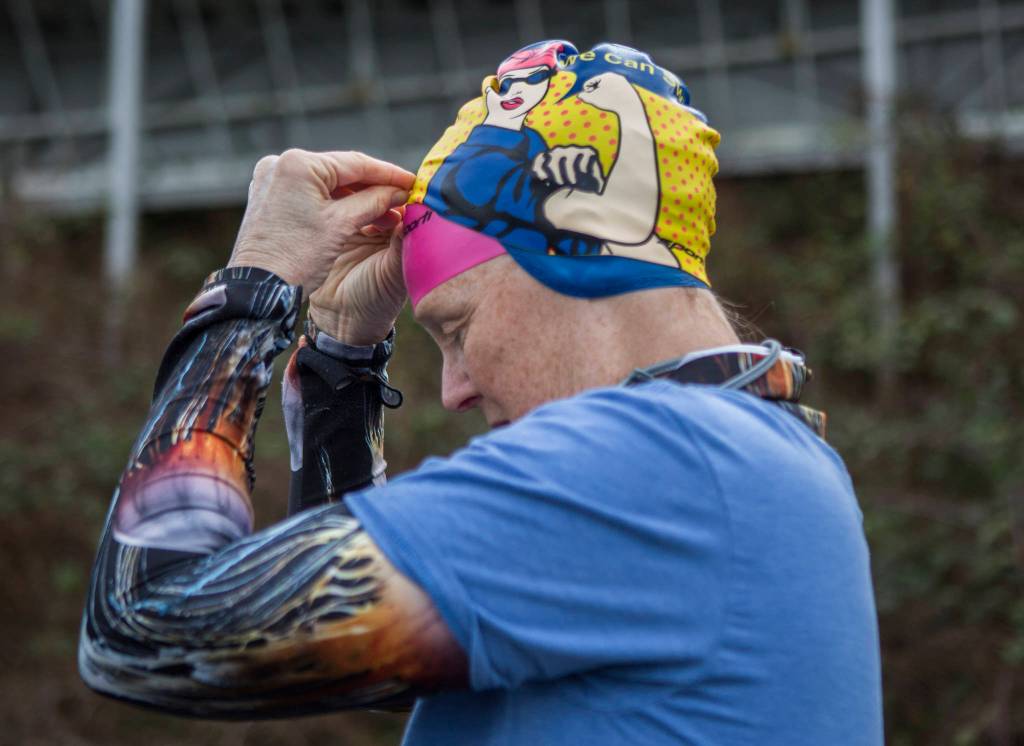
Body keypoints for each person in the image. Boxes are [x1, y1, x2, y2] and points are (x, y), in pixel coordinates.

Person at [79, 40, 883, 745]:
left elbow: (143, 624)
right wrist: (338, 362)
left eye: (457, 329)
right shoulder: (758, 461)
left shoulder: (654, 466)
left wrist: (253, 294)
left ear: (574, 257)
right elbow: (378, 661)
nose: (454, 389)